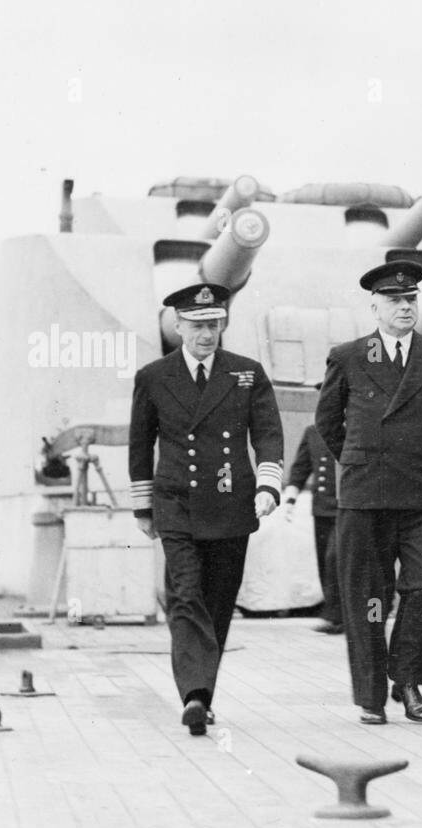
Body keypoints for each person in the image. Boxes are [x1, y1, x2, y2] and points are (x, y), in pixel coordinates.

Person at [129, 282, 284, 735]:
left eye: (213, 324)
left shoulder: (246, 373)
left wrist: (268, 486)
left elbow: (268, 433)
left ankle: (204, 694)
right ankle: (194, 695)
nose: (206, 334)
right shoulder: (154, 377)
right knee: (186, 593)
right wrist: (143, 508)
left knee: (217, 602)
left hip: (232, 504)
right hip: (176, 502)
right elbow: (141, 444)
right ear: (178, 326)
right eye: (196, 325)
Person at [314, 260, 422, 724]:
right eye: (395, 300)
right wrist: (360, 460)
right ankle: (372, 696)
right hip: (366, 496)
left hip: (421, 492)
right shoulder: (349, 356)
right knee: (368, 598)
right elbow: (327, 422)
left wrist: (417, 456)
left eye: (411, 299)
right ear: (374, 306)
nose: (404, 307)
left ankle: (408, 679)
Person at [284, 411, 342, 633]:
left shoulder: (352, 428)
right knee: (323, 562)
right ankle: (336, 616)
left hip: (345, 507)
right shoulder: (312, 432)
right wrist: (290, 498)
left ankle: (338, 616)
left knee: (334, 558)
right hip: (321, 508)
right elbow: (301, 467)